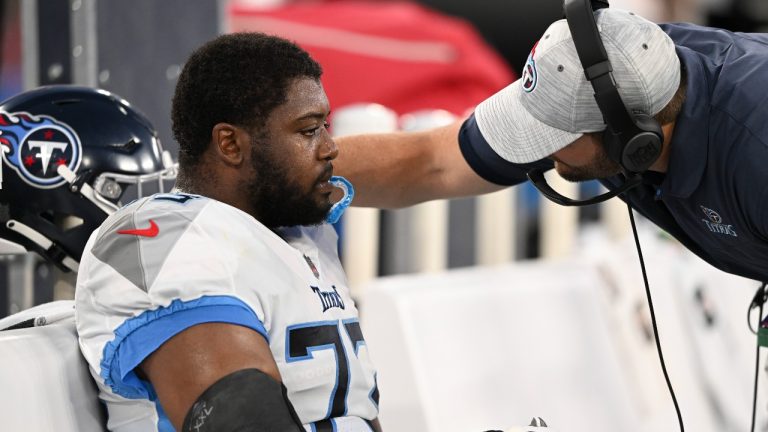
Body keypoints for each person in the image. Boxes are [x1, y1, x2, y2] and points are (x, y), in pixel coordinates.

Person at [75, 33, 380, 432]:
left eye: (325, 126)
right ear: (230, 144)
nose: (330, 148)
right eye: (308, 131)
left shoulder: (303, 235)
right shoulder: (162, 237)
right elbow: (241, 422)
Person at [333, 6, 768, 284]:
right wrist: (276, 173)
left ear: (632, 137)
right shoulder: (615, 72)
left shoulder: (755, 150)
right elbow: (431, 162)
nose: (539, 147)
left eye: (554, 133)